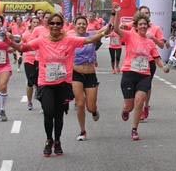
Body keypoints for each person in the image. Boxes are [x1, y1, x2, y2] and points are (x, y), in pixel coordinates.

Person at [17, 13, 113, 157]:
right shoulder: (41, 40)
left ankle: (57, 141)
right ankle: (49, 140)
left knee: (59, 114)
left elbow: (90, 39)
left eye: (58, 23)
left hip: (63, 83)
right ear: (48, 25)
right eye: (52, 23)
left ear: (62, 26)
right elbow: (23, 47)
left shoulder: (69, 39)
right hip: (46, 83)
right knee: (49, 112)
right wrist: (7, 41)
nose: (55, 26)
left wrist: (105, 32)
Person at [113, 14, 171, 141]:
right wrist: (117, 13)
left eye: (145, 24)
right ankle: (125, 110)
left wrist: (163, 67)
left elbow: (157, 58)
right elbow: (116, 29)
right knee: (130, 106)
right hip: (129, 73)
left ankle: (134, 129)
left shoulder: (150, 42)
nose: (143, 26)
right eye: (141, 24)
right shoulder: (129, 35)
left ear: (148, 26)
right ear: (136, 26)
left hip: (144, 75)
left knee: (139, 101)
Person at [69, 15, 102, 141]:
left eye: (83, 24)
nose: (81, 26)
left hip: (90, 74)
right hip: (76, 73)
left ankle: (94, 111)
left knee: (90, 106)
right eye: (79, 23)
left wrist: (114, 15)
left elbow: (105, 30)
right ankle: (82, 131)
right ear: (74, 25)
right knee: (80, 103)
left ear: (87, 25)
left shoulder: (92, 36)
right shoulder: (70, 37)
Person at [21, 16, 44, 111]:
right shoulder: (26, 34)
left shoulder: (42, 34)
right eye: (34, 22)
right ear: (30, 23)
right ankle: (29, 102)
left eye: (37, 22)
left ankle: (43, 104)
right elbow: (21, 46)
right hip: (28, 60)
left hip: (39, 59)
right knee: (30, 82)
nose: (36, 24)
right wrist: (18, 55)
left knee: (40, 82)